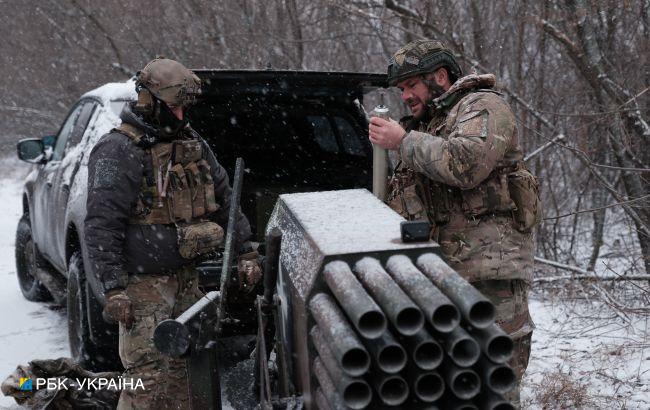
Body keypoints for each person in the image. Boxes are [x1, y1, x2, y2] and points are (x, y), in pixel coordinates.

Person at [369, 39, 541, 406]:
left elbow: (466, 164)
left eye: (411, 85)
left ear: (440, 77)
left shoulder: (483, 106)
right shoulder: (428, 126)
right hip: (442, 279)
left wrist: (403, 142)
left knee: (495, 386)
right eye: (401, 90)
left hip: (489, 280)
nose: (406, 97)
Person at [85, 57, 260, 409]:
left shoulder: (193, 144)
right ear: (148, 101)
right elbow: (102, 225)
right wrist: (114, 288)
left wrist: (246, 253)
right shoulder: (118, 150)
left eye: (185, 108)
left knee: (184, 377)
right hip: (142, 288)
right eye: (174, 107)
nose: (181, 116)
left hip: (186, 282)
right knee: (148, 381)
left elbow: (227, 201)